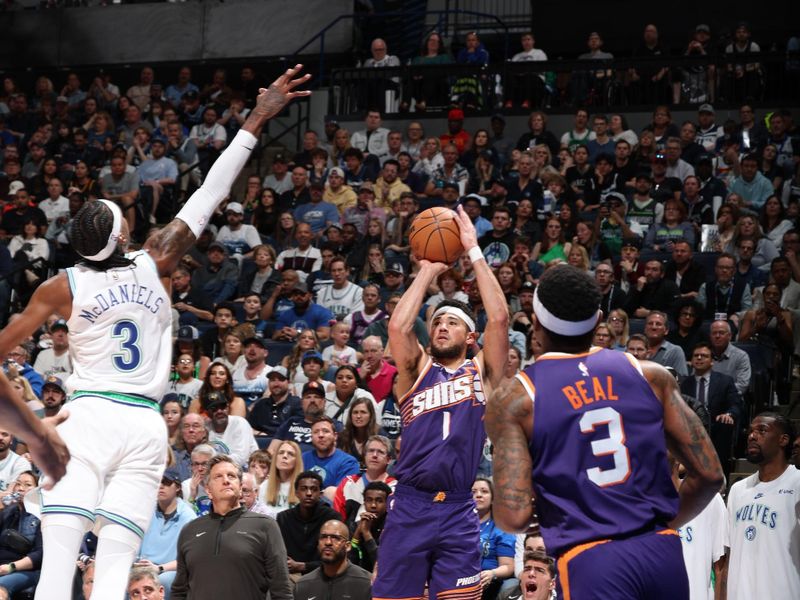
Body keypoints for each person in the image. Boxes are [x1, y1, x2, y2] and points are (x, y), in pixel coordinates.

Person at [0, 67, 310, 600]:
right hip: (144, 423)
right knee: (118, 559)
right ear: (122, 233)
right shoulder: (156, 260)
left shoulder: (61, 287)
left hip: (89, 414)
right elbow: (212, 190)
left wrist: (31, 426)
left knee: (59, 556)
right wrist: (258, 115)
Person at [485, 265, 723, 600]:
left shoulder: (516, 399)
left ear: (536, 324)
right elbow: (711, 476)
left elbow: (513, 516)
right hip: (661, 553)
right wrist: (665, 524)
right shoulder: (650, 375)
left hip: (592, 558)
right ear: (598, 320)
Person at [373, 205, 508, 600]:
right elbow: (398, 325)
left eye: (452, 322)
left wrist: (474, 251)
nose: (442, 326)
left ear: (470, 338)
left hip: (459, 506)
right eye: (437, 323)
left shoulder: (482, 371)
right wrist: (429, 270)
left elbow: (499, 320)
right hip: (410, 503)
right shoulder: (415, 369)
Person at [171, 455, 293, 600]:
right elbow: (179, 591)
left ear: (240, 488)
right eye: (218, 476)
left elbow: (281, 589)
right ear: (208, 490)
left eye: (231, 476)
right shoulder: (189, 531)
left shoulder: (265, 526)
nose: (226, 480)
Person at [724, 413, 800, 599]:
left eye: (762, 430)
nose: (752, 435)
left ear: (783, 440)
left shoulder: (797, 483)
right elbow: (728, 559)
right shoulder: (738, 490)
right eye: (750, 430)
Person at [680, 342, 742, 474]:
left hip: (716, 425)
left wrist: (729, 414)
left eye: (704, 356)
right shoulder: (683, 383)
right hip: (690, 426)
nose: (699, 358)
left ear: (712, 361)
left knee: (724, 425)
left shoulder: (725, 381)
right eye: (696, 355)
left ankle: (720, 473)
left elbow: (736, 404)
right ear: (691, 360)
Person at [137, 467, 196, 596]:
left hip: (170, 570)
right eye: (158, 482)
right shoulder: (146, 510)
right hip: (144, 566)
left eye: (166, 482)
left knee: (160, 581)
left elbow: (189, 559)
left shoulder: (188, 517)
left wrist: (159, 568)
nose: (161, 486)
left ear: (178, 487)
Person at [276, 471, 342, 578]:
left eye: (314, 489)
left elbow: (337, 557)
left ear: (320, 494)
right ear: (296, 493)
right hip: (290, 575)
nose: (309, 493)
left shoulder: (332, 518)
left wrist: (303, 566)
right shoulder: (283, 518)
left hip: (323, 574)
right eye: (304, 489)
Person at [294, 519, 372, 599]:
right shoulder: (303, 585)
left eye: (336, 538)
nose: (328, 542)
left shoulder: (367, 583)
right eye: (323, 537)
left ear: (347, 546)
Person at [473, 477, 515, 600]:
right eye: (473, 492)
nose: (478, 495)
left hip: (488, 582)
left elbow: (508, 566)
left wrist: (492, 573)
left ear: (492, 499)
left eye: (484, 491)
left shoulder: (501, 528)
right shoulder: (457, 526)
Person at [0, 471, 42, 596]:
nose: (21, 488)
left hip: (25, 570)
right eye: (18, 484)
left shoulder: (41, 516)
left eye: (27, 485)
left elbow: (40, 554)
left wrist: (10, 567)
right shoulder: (8, 512)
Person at [302, 416, 360, 497]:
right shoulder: (303, 458)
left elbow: (342, 496)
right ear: (311, 437)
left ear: (335, 436)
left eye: (325, 431)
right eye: (316, 432)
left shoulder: (348, 463)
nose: (321, 435)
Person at [261, 440, 304, 519]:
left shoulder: (302, 487)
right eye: (281, 453)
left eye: (290, 454)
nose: (284, 456)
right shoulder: (265, 485)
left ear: (296, 461)